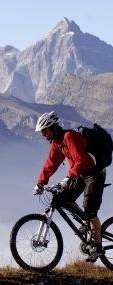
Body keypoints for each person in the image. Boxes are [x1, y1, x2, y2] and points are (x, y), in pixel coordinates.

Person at [33, 111, 106, 262]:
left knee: (90, 210)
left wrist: (69, 176)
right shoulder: (57, 143)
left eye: (44, 131)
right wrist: (41, 182)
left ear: (53, 128)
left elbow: (82, 160)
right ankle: (86, 222)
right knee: (62, 198)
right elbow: (51, 164)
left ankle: (98, 248)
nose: (42, 134)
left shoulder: (69, 137)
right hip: (79, 174)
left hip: (94, 173)